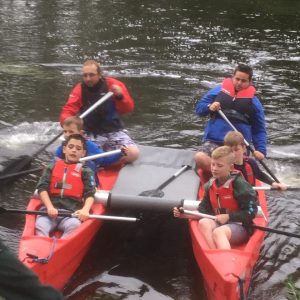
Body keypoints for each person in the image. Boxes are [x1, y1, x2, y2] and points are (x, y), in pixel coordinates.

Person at [174, 146, 258, 250]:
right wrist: (184, 214)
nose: (214, 168)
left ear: (231, 168)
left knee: (219, 232)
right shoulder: (210, 185)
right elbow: (203, 210)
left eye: (219, 165)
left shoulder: (240, 185)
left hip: (240, 227)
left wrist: (228, 217)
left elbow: (251, 212)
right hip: (219, 223)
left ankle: (225, 258)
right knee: (203, 222)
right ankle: (213, 253)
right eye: (213, 164)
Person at [194, 64, 267, 181]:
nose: (239, 83)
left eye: (243, 81)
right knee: (200, 157)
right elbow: (199, 109)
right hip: (214, 141)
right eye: (237, 79)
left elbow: (259, 129)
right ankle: (228, 179)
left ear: (249, 82)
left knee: (237, 162)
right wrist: (209, 107)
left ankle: (233, 179)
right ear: (233, 77)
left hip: (237, 145)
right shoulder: (218, 91)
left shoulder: (254, 102)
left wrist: (261, 150)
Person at [59, 59, 139, 163]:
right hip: (90, 133)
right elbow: (68, 110)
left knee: (133, 154)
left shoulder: (113, 85)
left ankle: (104, 163)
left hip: (113, 131)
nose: (88, 78)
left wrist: (120, 96)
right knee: (75, 154)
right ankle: (99, 160)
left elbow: (127, 109)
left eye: (91, 75)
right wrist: (68, 127)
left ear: (99, 75)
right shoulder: (79, 89)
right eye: (85, 75)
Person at [35, 134, 96, 238]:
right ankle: (41, 249)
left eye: (78, 148)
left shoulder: (86, 171)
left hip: (71, 214)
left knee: (74, 225)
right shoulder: (52, 167)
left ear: (83, 153)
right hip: (49, 212)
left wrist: (85, 210)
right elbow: (42, 188)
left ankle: (60, 248)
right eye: (70, 147)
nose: (74, 150)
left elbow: (90, 193)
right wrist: (49, 207)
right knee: (40, 225)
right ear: (64, 149)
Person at [55, 116, 128, 170]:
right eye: (65, 131)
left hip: (86, 178)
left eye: (71, 132)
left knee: (90, 164)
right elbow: (57, 156)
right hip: (68, 175)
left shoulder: (89, 146)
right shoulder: (64, 145)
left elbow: (104, 159)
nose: (67, 135)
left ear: (81, 133)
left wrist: (119, 153)